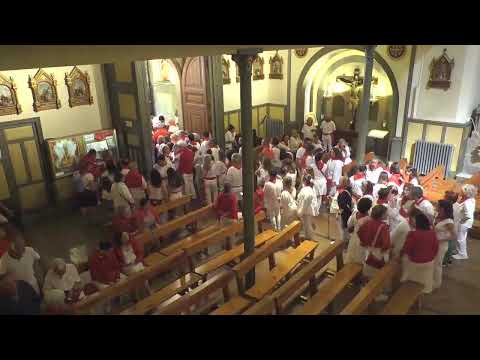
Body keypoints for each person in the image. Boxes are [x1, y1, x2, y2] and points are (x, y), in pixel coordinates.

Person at [400, 212, 439, 294]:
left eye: (414, 220)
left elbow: (406, 249)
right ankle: (424, 290)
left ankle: (410, 291)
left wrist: (400, 256)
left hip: (415, 262)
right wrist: (431, 257)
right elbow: (436, 247)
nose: (412, 222)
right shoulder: (432, 233)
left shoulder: (413, 234)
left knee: (412, 280)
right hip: (429, 262)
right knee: (425, 279)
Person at [357, 205, 391, 279]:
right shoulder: (383, 227)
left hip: (367, 251)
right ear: (381, 215)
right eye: (386, 213)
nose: (387, 214)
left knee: (367, 271)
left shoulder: (367, 223)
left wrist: (365, 243)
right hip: (378, 252)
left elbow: (359, 233)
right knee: (378, 276)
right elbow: (386, 244)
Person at [433, 200, 455, 289]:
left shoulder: (449, 221)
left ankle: (437, 283)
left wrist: (439, 239)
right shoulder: (439, 216)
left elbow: (453, 236)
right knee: (434, 263)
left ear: (443, 208)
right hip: (436, 244)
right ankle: (433, 280)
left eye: (438, 206)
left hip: (441, 245)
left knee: (437, 264)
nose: (436, 207)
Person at [453, 184, 477, 260]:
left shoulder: (468, 202)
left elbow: (468, 214)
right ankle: (460, 252)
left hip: (464, 222)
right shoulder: (470, 200)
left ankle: (462, 254)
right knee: (462, 237)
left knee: (461, 238)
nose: (461, 192)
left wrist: (461, 221)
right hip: (465, 222)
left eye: (462, 191)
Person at [345, 197, 373, 264]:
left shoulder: (355, 215)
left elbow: (349, 228)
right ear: (368, 208)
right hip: (363, 240)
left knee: (352, 255)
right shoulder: (369, 219)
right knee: (361, 258)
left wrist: (355, 230)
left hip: (354, 238)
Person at [297, 175, 318, 240]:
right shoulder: (309, 189)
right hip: (307, 210)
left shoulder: (306, 190)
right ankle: (307, 237)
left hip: (306, 210)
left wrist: (300, 212)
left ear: (305, 181)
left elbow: (305, 202)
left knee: (307, 225)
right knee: (307, 225)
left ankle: (309, 238)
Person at [337, 176, 353, 244]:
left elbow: (342, 204)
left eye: (340, 181)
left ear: (343, 183)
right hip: (347, 212)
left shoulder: (344, 193)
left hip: (344, 213)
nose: (338, 182)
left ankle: (343, 244)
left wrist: (341, 211)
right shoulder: (348, 190)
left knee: (343, 230)